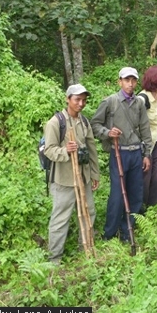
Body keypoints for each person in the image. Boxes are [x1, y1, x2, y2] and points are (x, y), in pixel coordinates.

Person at [91, 67, 153, 242]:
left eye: (133, 80)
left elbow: (145, 129)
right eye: (127, 80)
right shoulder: (110, 102)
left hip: (136, 153)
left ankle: (127, 230)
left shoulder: (139, 103)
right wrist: (108, 132)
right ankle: (109, 232)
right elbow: (95, 124)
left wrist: (146, 153)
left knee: (135, 193)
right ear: (120, 81)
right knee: (117, 195)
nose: (130, 84)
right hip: (118, 152)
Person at [44, 84, 100, 264]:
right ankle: (54, 259)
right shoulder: (55, 122)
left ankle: (85, 247)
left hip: (83, 177)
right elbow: (49, 150)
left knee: (88, 211)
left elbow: (91, 149)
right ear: (68, 99)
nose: (81, 103)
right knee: (60, 219)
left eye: (84, 100)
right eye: (77, 99)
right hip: (64, 180)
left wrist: (94, 174)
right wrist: (65, 151)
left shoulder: (84, 122)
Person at [138, 65, 157, 208]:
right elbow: (134, 124)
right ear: (156, 79)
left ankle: (153, 208)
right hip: (145, 146)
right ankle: (140, 210)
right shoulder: (143, 98)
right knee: (145, 179)